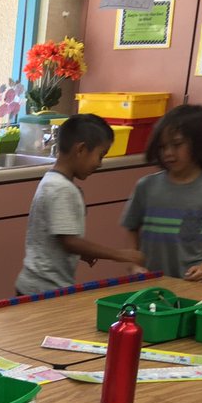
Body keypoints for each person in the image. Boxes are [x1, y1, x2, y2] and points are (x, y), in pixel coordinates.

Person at [15, 114, 146, 295]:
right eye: (100, 156)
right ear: (81, 149)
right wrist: (122, 255)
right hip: (44, 289)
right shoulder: (61, 189)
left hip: (36, 286)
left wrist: (84, 253)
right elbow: (70, 242)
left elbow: (58, 238)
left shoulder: (53, 181)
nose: (100, 164)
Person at [121, 104, 202, 282]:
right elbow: (131, 227)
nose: (168, 153)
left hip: (191, 286)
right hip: (148, 285)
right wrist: (133, 264)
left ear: (199, 143)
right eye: (162, 147)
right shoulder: (146, 186)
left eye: (177, 145)